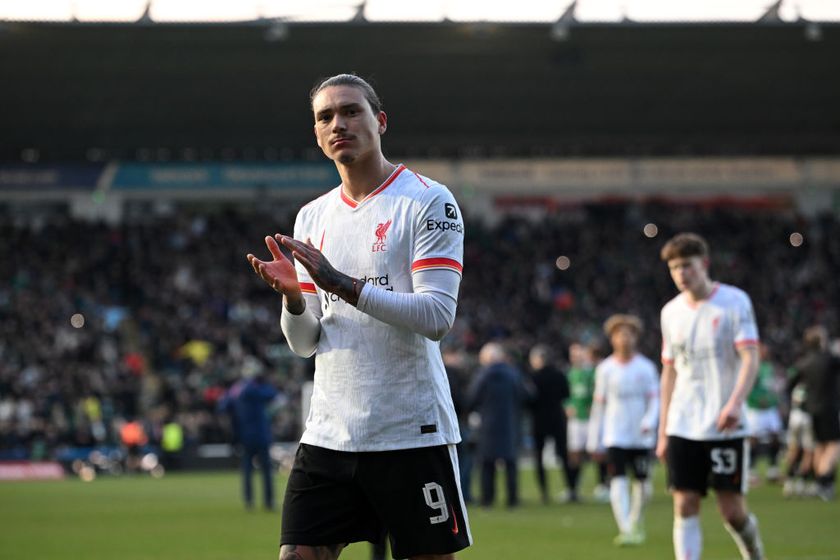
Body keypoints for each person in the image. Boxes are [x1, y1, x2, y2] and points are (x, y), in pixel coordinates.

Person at [246, 73, 471, 560]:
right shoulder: (311, 217)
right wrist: (294, 300)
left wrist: (341, 285)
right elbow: (306, 343)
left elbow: (436, 316)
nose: (338, 123)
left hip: (410, 431)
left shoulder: (428, 201)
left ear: (380, 121)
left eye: (351, 111)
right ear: (317, 134)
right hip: (330, 432)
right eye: (325, 117)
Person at [657, 233, 765, 560]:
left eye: (686, 266)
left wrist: (734, 403)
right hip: (682, 423)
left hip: (723, 423)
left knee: (731, 511)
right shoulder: (670, 312)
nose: (680, 274)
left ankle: (754, 553)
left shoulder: (734, 302)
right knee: (684, 503)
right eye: (674, 268)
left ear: (704, 264)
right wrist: (663, 430)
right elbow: (670, 372)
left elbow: (750, 356)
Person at [587, 314, 659, 546]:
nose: (624, 338)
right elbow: (599, 405)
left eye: (628, 333)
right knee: (617, 480)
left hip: (641, 436)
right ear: (613, 339)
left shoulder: (646, 367)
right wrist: (593, 438)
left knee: (644, 486)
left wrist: (650, 421)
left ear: (635, 338)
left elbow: (655, 400)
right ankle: (626, 528)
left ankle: (636, 521)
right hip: (615, 434)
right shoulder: (605, 369)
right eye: (619, 334)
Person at [466, 342, 530, 508]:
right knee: (510, 464)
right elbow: (525, 395)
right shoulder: (513, 374)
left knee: (487, 464)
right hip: (510, 423)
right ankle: (512, 499)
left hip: (487, 425)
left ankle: (487, 499)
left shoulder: (482, 375)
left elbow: (472, 398)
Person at [218, 356, 280, 511]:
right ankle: (268, 502)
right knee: (266, 470)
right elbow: (271, 394)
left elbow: (222, 406)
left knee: (247, 469)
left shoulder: (236, 389)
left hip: (244, 435)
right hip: (260, 434)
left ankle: (248, 501)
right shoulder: (254, 388)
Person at [787, 326, 840, 501]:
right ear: (822, 341)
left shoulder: (804, 363)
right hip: (829, 409)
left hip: (810, 411)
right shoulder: (830, 360)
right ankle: (824, 479)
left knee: (819, 446)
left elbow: (790, 385)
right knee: (833, 445)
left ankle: (820, 482)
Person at [527, 344, 570, 504]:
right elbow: (566, 394)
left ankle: (544, 492)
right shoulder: (559, 374)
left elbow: (528, 399)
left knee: (539, 457)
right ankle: (570, 487)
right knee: (563, 454)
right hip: (557, 418)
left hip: (539, 420)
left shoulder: (533, 377)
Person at [563, 342, 601, 503]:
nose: (575, 357)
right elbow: (564, 395)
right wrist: (567, 406)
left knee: (597, 452)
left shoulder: (592, 373)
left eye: (578, 354)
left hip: (591, 419)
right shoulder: (569, 374)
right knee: (574, 454)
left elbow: (598, 391)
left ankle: (603, 486)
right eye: (573, 355)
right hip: (576, 420)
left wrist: (594, 406)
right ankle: (573, 488)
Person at [745, 343, 784, 484]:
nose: (765, 353)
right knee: (753, 439)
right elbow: (746, 387)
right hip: (755, 409)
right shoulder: (752, 367)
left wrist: (777, 402)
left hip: (770, 409)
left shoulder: (771, 368)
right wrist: (755, 398)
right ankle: (750, 471)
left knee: (776, 437)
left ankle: (773, 470)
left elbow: (775, 388)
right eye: (762, 350)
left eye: (766, 350)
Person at [781, 375, 815, 498]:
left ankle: (789, 482)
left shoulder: (797, 386)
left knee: (793, 449)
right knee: (808, 451)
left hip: (794, 417)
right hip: (806, 417)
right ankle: (802, 482)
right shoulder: (812, 385)